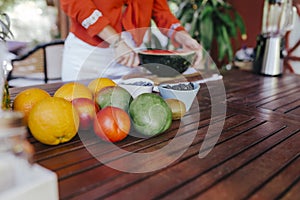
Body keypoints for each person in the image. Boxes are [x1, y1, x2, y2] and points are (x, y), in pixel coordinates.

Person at [60, 0, 202, 81]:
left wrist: (182, 36)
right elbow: (78, 4)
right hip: (88, 52)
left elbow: (160, 11)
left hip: (130, 53)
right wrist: (116, 41)